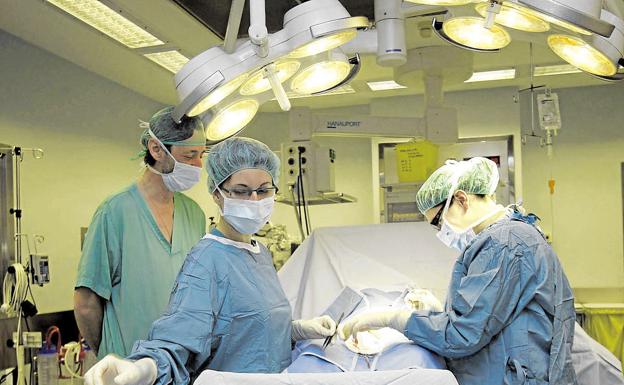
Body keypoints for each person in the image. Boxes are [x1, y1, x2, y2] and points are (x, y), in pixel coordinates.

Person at [84, 137, 337, 385]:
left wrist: (297, 330)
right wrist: (144, 367)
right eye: (241, 191)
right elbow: (179, 342)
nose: (255, 200)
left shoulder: (259, 252)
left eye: (263, 190)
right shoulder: (206, 260)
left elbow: (249, 333)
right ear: (217, 194)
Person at [341, 157, 577, 385]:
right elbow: (486, 318)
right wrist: (439, 312)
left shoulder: (503, 244)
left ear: (462, 199)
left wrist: (390, 318)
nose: (440, 231)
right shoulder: (509, 237)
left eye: (438, 222)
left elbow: (462, 336)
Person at [74, 106, 207, 358]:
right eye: (190, 156)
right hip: (128, 369)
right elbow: (85, 304)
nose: (199, 165)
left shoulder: (194, 215)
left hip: (178, 368)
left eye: (202, 155)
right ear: (156, 149)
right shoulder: (115, 212)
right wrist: (110, 355)